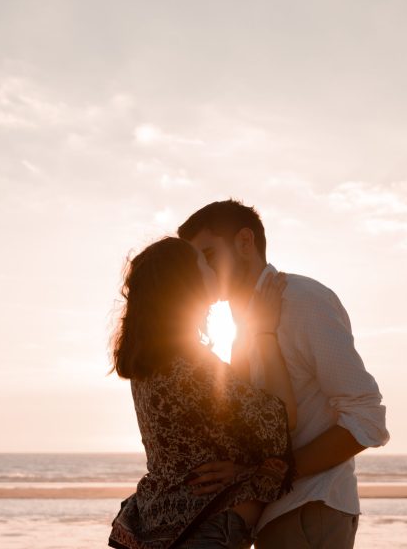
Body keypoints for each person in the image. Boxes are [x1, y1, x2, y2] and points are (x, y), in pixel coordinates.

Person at [178, 199, 390, 549]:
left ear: (245, 243)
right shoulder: (243, 322)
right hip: (273, 512)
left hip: (309, 506)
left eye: (210, 255)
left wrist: (269, 475)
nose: (203, 272)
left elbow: (367, 418)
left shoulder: (302, 301)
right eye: (197, 262)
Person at [108, 237, 298, 549]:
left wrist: (241, 468)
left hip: (168, 526)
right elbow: (281, 421)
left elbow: (215, 431)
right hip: (203, 530)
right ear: (186, 281)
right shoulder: (190, 365)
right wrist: (264, 332)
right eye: (203, 263)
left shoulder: (152, 363)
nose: (212, 269)